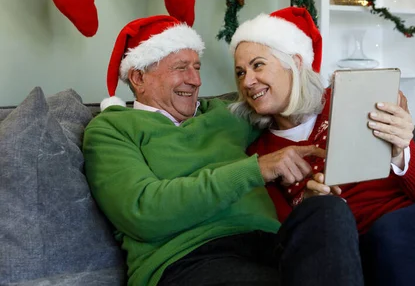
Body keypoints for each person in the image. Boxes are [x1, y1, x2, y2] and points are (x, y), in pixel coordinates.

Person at [82, 15, 365, 286]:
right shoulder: (112, 129)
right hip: (190, 258)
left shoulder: (227, 114)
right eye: (181, 68)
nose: (196, 81)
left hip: (270, 244)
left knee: (327, 211)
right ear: (138, 77)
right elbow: (142, 212)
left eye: (197, 67)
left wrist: (372, 101)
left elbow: (285, 95)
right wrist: (255, 169)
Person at [228, 7, 415, 286]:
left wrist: (400, 150)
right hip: (381, 253)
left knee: (392, 232)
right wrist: (309, 210)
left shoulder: (347, 98)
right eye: (240, 72)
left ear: (294, 62)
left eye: (258, 65)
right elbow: (287, 240)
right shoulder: (264, 154)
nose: (247, 81)